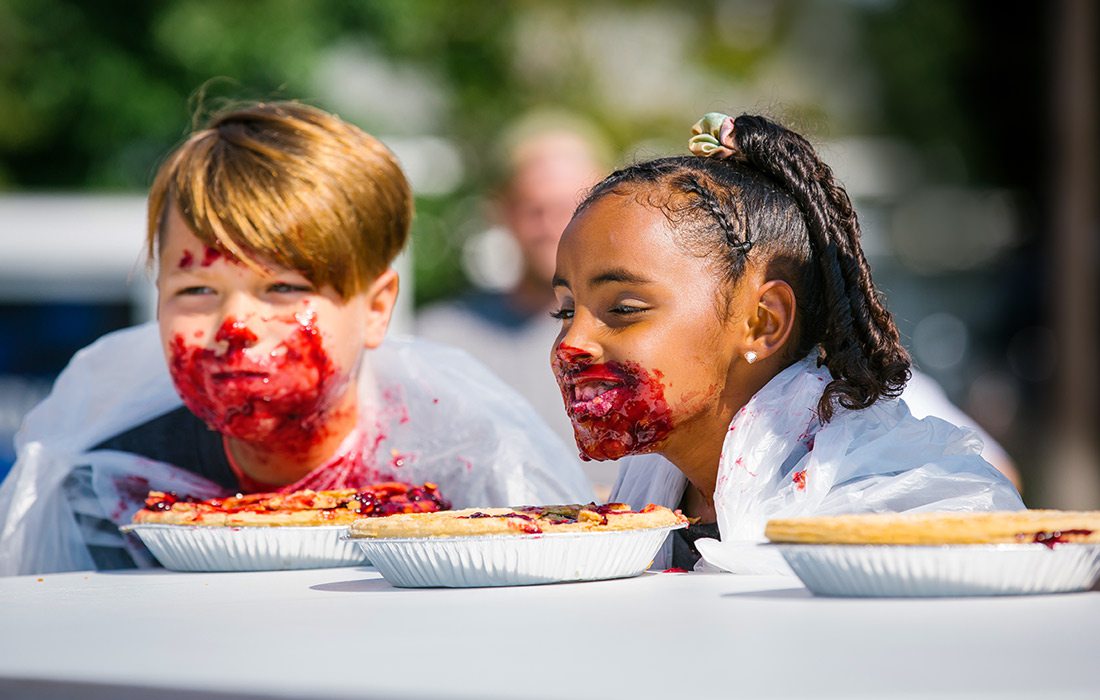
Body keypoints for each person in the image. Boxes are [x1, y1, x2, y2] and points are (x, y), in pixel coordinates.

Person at [0, 101, 592, 576]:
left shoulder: (477, 476)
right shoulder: (108, 486)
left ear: (376, 307)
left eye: (282, 288)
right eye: (197, 291)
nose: (234, 329)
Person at [549, 112, 1024, 572]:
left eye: (623, 309)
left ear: (761, 322)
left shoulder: (905, 511)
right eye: (565, 310)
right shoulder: (646, 490)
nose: (571, 344)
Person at [417, 114, 616, 494]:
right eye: (532, 209)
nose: (549, 226)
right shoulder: (441, 338)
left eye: (569, 206)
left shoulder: (648, 332)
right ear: (502, 211)